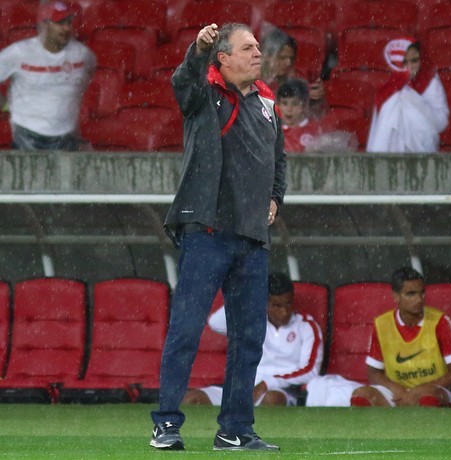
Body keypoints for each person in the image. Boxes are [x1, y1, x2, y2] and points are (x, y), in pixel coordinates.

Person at [149, 22, 286, 452]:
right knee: (186, 330)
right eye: (247, 49)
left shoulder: (267, 102)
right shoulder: (204, 95)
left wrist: (276, 199)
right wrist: (196, 48)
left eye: (258, 47)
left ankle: (235, 429)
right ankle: (166, 425)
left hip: (251, 235)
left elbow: (279, 161)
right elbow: (182, 80)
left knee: (249, 338)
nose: (258, 54)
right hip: (207, 230)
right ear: (223, 59)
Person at [183, 272, 324, 406]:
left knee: (272, 399)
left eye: (288, 304)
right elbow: (215, 323)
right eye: (277, 306)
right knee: (192, 399)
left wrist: (269, 383)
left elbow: (311, 371)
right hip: (242, 388)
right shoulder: (251, 321)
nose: (284, 312)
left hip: (279, 390)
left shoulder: (307, 327)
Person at [350, 267, 451, 407]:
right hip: (398, 393)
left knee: (427, 397)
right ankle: (375, 429)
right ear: (396, 297)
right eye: (411, 294)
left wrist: (420, 390)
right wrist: (395, 388)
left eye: (422, 292)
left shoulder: (441, 322)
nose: (419, 299)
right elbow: (374, 374)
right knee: (361, 396)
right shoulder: (382, 324)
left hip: (434, 390)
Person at [0, 0, 96, 151]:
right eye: (60, 23)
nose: (66, 28)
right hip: (27, 137)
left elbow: (90, 73)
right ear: (44, 25)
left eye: (69, 22)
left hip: (66, 138)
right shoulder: (20, 52)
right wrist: (6, 106)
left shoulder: (81, 54)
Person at [366, 41, 449, 153]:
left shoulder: (431, 82)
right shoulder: (389, 88)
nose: (410, 66)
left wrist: (412, 98)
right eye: (404, 62)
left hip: (423, 148)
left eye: (414, 61)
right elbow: (381, 133)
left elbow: (441, 122)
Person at [260, 28, 327, 120]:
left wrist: (315, 101)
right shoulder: (250, 82)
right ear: (267, 56)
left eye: (291, 58)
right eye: (282, 58)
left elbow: (317, 117)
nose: (288, 62)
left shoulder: (300, 83)